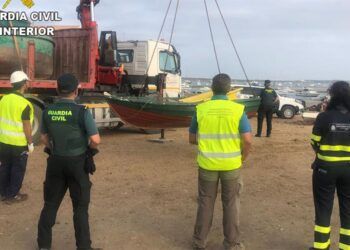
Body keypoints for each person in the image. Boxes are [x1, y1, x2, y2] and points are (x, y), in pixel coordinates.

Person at [37, 73, 101, 250]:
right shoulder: (82, 112)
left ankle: (43, 246)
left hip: (55, 162)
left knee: (50, 205)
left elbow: (43, 137)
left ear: (58, 90)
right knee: (80, 208)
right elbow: (96, 140)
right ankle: (83, 247)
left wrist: (53, 147)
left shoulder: (47, 111)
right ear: (76, 91)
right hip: (77, 164)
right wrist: (90, 150)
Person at [189, 73, 252, 250]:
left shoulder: (201, 109)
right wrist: (242, 158)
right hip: (231, 165)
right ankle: (232, 244)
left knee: (205, 202)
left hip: (207, 164)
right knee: (231, 203)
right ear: (229, 89)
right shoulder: (238, 110)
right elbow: (247, 140)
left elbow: (192, 139)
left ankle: (199, 242)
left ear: (211, 88)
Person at [310, 81, 350, 250]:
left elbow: (314, 141)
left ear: (332, 96)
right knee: (348, 208)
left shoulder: (324, 116)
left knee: (323, 207)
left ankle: (321, 246)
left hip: (325, 169)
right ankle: (346, 246)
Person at [0, 71, 34, 203]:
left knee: (5, 166)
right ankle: (12, 195)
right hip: (18, 144)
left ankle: (3, 192)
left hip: (3, 141)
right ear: (24, 84)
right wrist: (30, 143)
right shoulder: (24, 104)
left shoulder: (3, 99)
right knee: (17, 169)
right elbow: (27, 126)